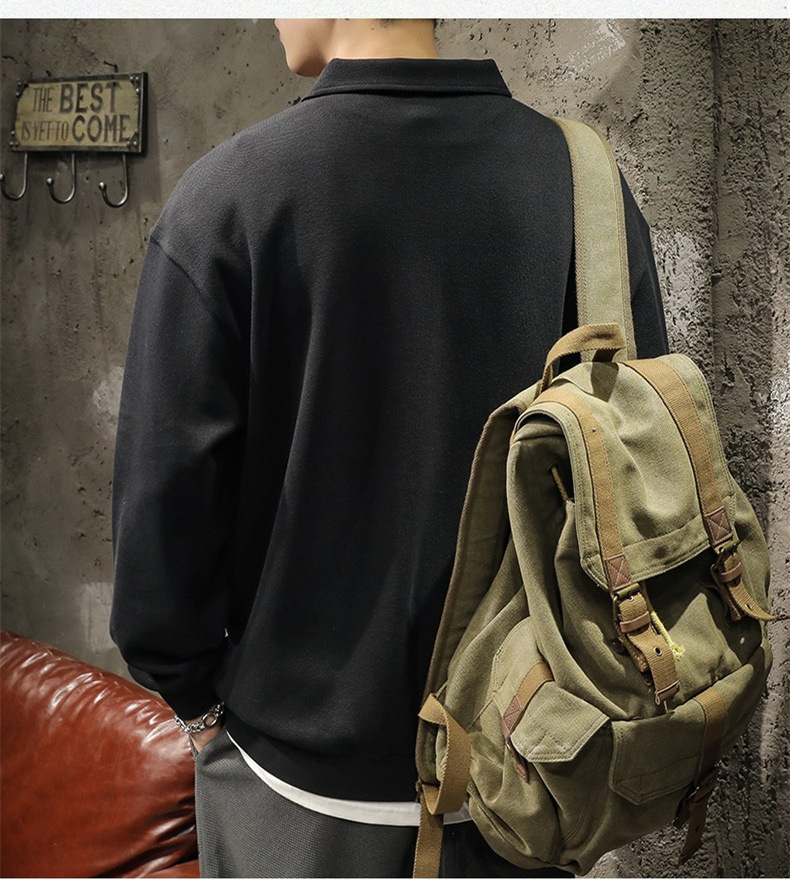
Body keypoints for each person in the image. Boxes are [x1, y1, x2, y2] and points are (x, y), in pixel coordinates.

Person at [110, 18, 669, 878]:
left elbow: (165, 516)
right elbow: (644, 469)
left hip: (299, 793)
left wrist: (199, 705)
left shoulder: (229, 196)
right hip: (537, 771)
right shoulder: (586, 187)